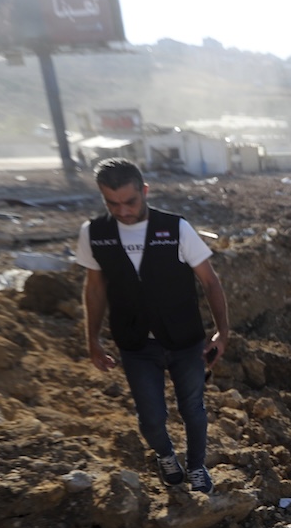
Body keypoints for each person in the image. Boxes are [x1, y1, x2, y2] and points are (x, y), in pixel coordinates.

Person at [76, 158, 230, 493]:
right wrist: (92, 340)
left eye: (130, 201)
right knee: (150, 418)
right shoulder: (94, 234)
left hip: (184, 339)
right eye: (112, 203)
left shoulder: (176, 228)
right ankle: (165, 455)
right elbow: (95, 288)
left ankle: (197, 466)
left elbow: (210, 282)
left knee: (193, 408)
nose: (124, 211)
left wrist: (223, 331)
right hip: (135, 344)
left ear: (144, 191)